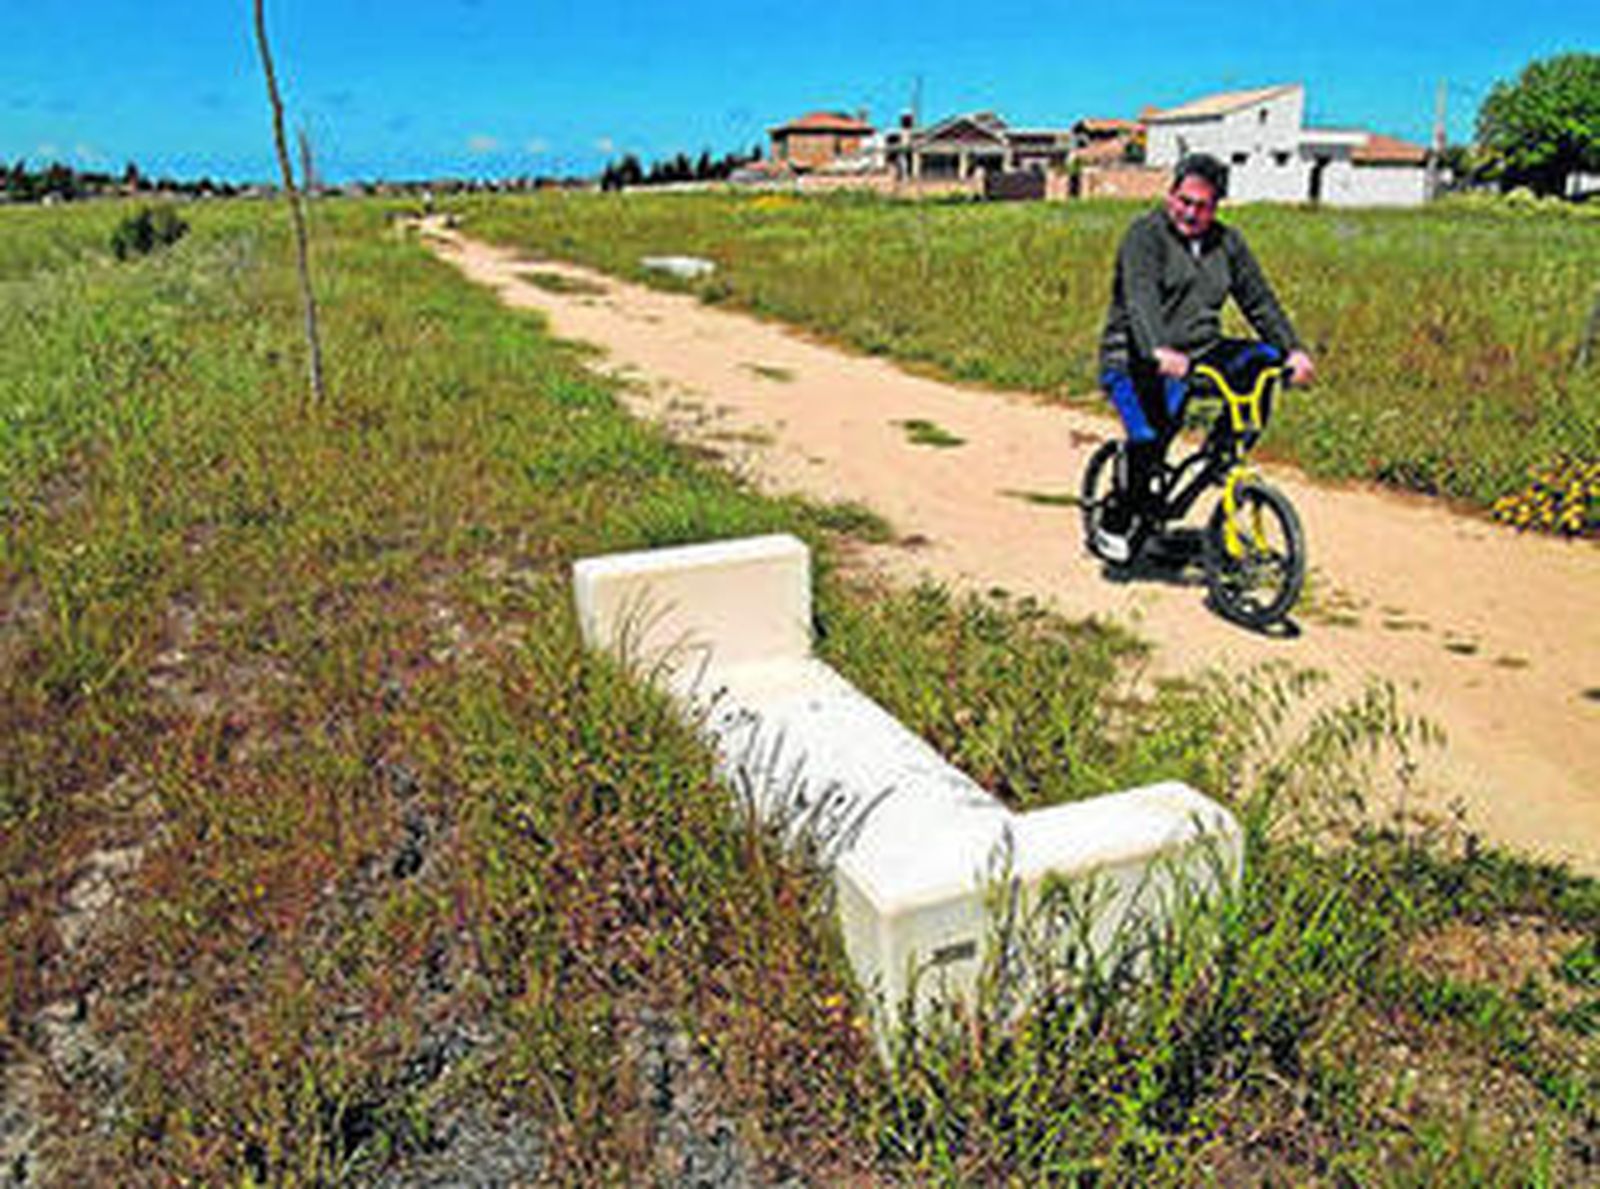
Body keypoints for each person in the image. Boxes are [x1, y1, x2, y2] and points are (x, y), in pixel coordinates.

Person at [1093, 152, 1315, 563]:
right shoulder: (1144, 236)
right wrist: (1158, 349)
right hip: (1136, 357)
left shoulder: (1227, 244)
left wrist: (1293, 350)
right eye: (1184, 201)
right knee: (1147, 440)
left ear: (1217, 206)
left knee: (1262, 361)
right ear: (1171, 193)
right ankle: (1116, 519)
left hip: (1199, 353)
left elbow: (1259, 301)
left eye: (1203, 206)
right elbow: (1140, 299)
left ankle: (1222, 451)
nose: (1191, 213)